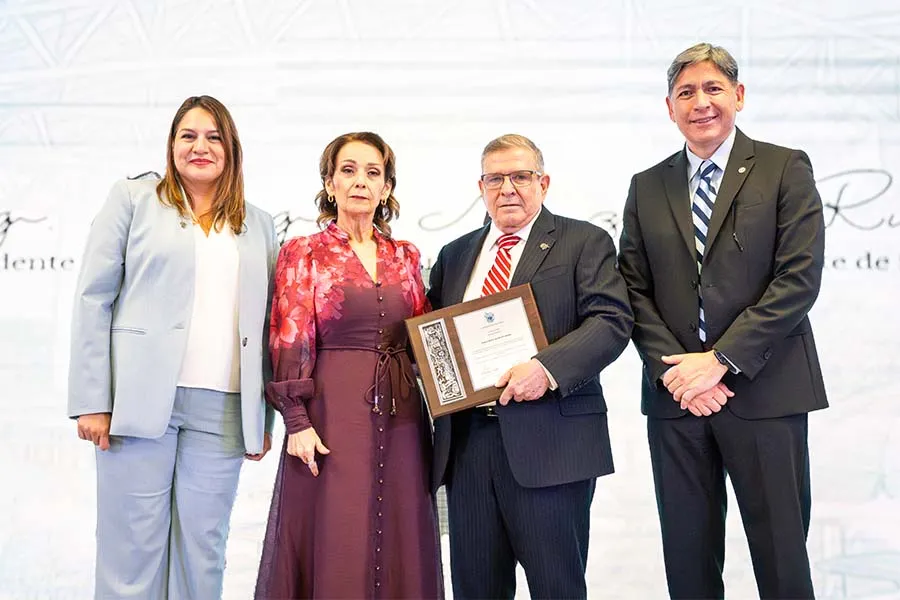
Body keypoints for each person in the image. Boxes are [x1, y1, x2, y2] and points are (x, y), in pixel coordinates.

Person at [617, 42, 828, 599]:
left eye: (713, 88)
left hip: (766, 392)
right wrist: (678, 374)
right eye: (686, 92)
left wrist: (720, 361)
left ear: (739, 95)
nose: (700, 102)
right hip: (678, 400)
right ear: (669, 107)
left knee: (782, 560)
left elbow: (798, 278)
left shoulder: (784, 167)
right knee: (688, 562)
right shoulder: (647, 185)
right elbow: (632, 288)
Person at [68, 95, 278, 599]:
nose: (200, 146)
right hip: (136, 405)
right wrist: (93, 400)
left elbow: (268, 325)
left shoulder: (259, 224)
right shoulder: (133, 200)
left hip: (223, 411)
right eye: (189, 136)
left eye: (213, 137)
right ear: (171, 145)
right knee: (131, 552)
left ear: (231, 149)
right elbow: (94, 298)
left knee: (203, 551)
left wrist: (263, 419)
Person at [427, 134, 634, 599]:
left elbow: (612, 321)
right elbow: (438, 338)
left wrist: (546, 369)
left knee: (557, 588)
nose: (508, 189)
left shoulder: (584, 241)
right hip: (469, 448)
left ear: (544, 182)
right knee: (475, 590)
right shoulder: (454, 254)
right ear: (480, 187)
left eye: (521, 176)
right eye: (495, 179)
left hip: (552, 445)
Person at [255, 132, 442, 599]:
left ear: (386, 187)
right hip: (331, 417)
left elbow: (424, 337)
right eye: (349, 170)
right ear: (330, 183)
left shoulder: (406, 256)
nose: (361, 181)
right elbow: (289, 335)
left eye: (373, 172)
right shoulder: (304, 251)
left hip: (403, 418)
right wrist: (296, 421)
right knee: (338, 530)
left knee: (401, 531)